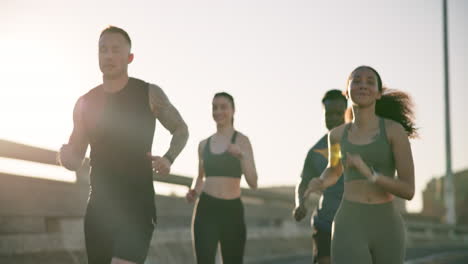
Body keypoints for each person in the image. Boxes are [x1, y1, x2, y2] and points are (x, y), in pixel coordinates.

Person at [58, 26, 189, 264]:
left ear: (129, 57)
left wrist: (169, 157)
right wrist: (65, 156)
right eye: (103, 50)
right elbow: (75, 159)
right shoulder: (85, 103)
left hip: (137, 206)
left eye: (115, 50)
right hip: (98, 210)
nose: (108, 55)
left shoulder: (149, 93)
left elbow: (181, 129)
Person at [304, 65, 417, 264]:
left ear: (379, 94)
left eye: (370, 82)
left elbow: (408, 190)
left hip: (387, 225)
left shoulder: (394, 131)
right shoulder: (336, 136)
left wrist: (372, 175)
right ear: (346, 91)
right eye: (356, 81)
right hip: (349, 223)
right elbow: (334, 169)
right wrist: (320, 181)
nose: (363, 85)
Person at [186, 92, 258, 264]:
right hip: (206, 209)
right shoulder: (203, 144)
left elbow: (253, 182)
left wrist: (241, 156)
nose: (218, 111)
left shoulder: (242, 141)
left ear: (233, 111)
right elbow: (200, 176)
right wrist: (194, 191)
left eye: (223, 107)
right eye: (215, 107)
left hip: (232, 211)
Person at [293, 89, 347, 264]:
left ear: (348, 112)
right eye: (328, 114)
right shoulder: (315, 151)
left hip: (356, 222)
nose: (333, 118)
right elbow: (303, 183)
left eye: (338, 113)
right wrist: (300, 203)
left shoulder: (360, 141)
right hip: (325, 223)